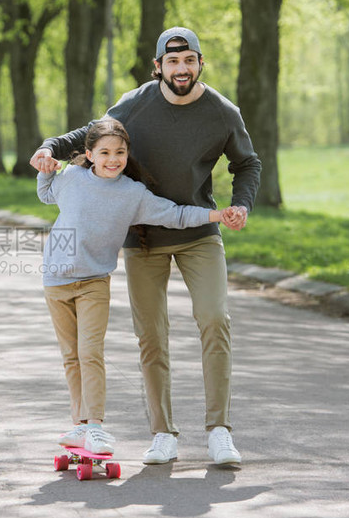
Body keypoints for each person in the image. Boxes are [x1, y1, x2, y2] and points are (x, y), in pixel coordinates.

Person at [32, 27, 261, 465]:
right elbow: (91, 134)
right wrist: (49, 147)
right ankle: (163, 432)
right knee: (151, 335)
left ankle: (218, 430)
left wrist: (241, 204)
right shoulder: (135, 103)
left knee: (215, 319)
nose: (181, 69)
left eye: (189, 60)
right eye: (172, 62)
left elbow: (247, 162)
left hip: (198, 231)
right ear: (159, 66)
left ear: (199, 64)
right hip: (143, 237)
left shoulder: (221, 112)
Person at [38, 117, 238, 456]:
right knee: (71, 357)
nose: (113, 159)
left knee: (90, 353)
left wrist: (215, 216)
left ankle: (96, 427)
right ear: (89, 154)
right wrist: (46, 167)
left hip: (93, 283)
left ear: (128, 155)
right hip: (54, 280)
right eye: (104, 152)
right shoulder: (71, 178)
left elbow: (174, 215)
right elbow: (46, 193)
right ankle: (80, 426)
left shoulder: (132, 194)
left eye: (120, 152)